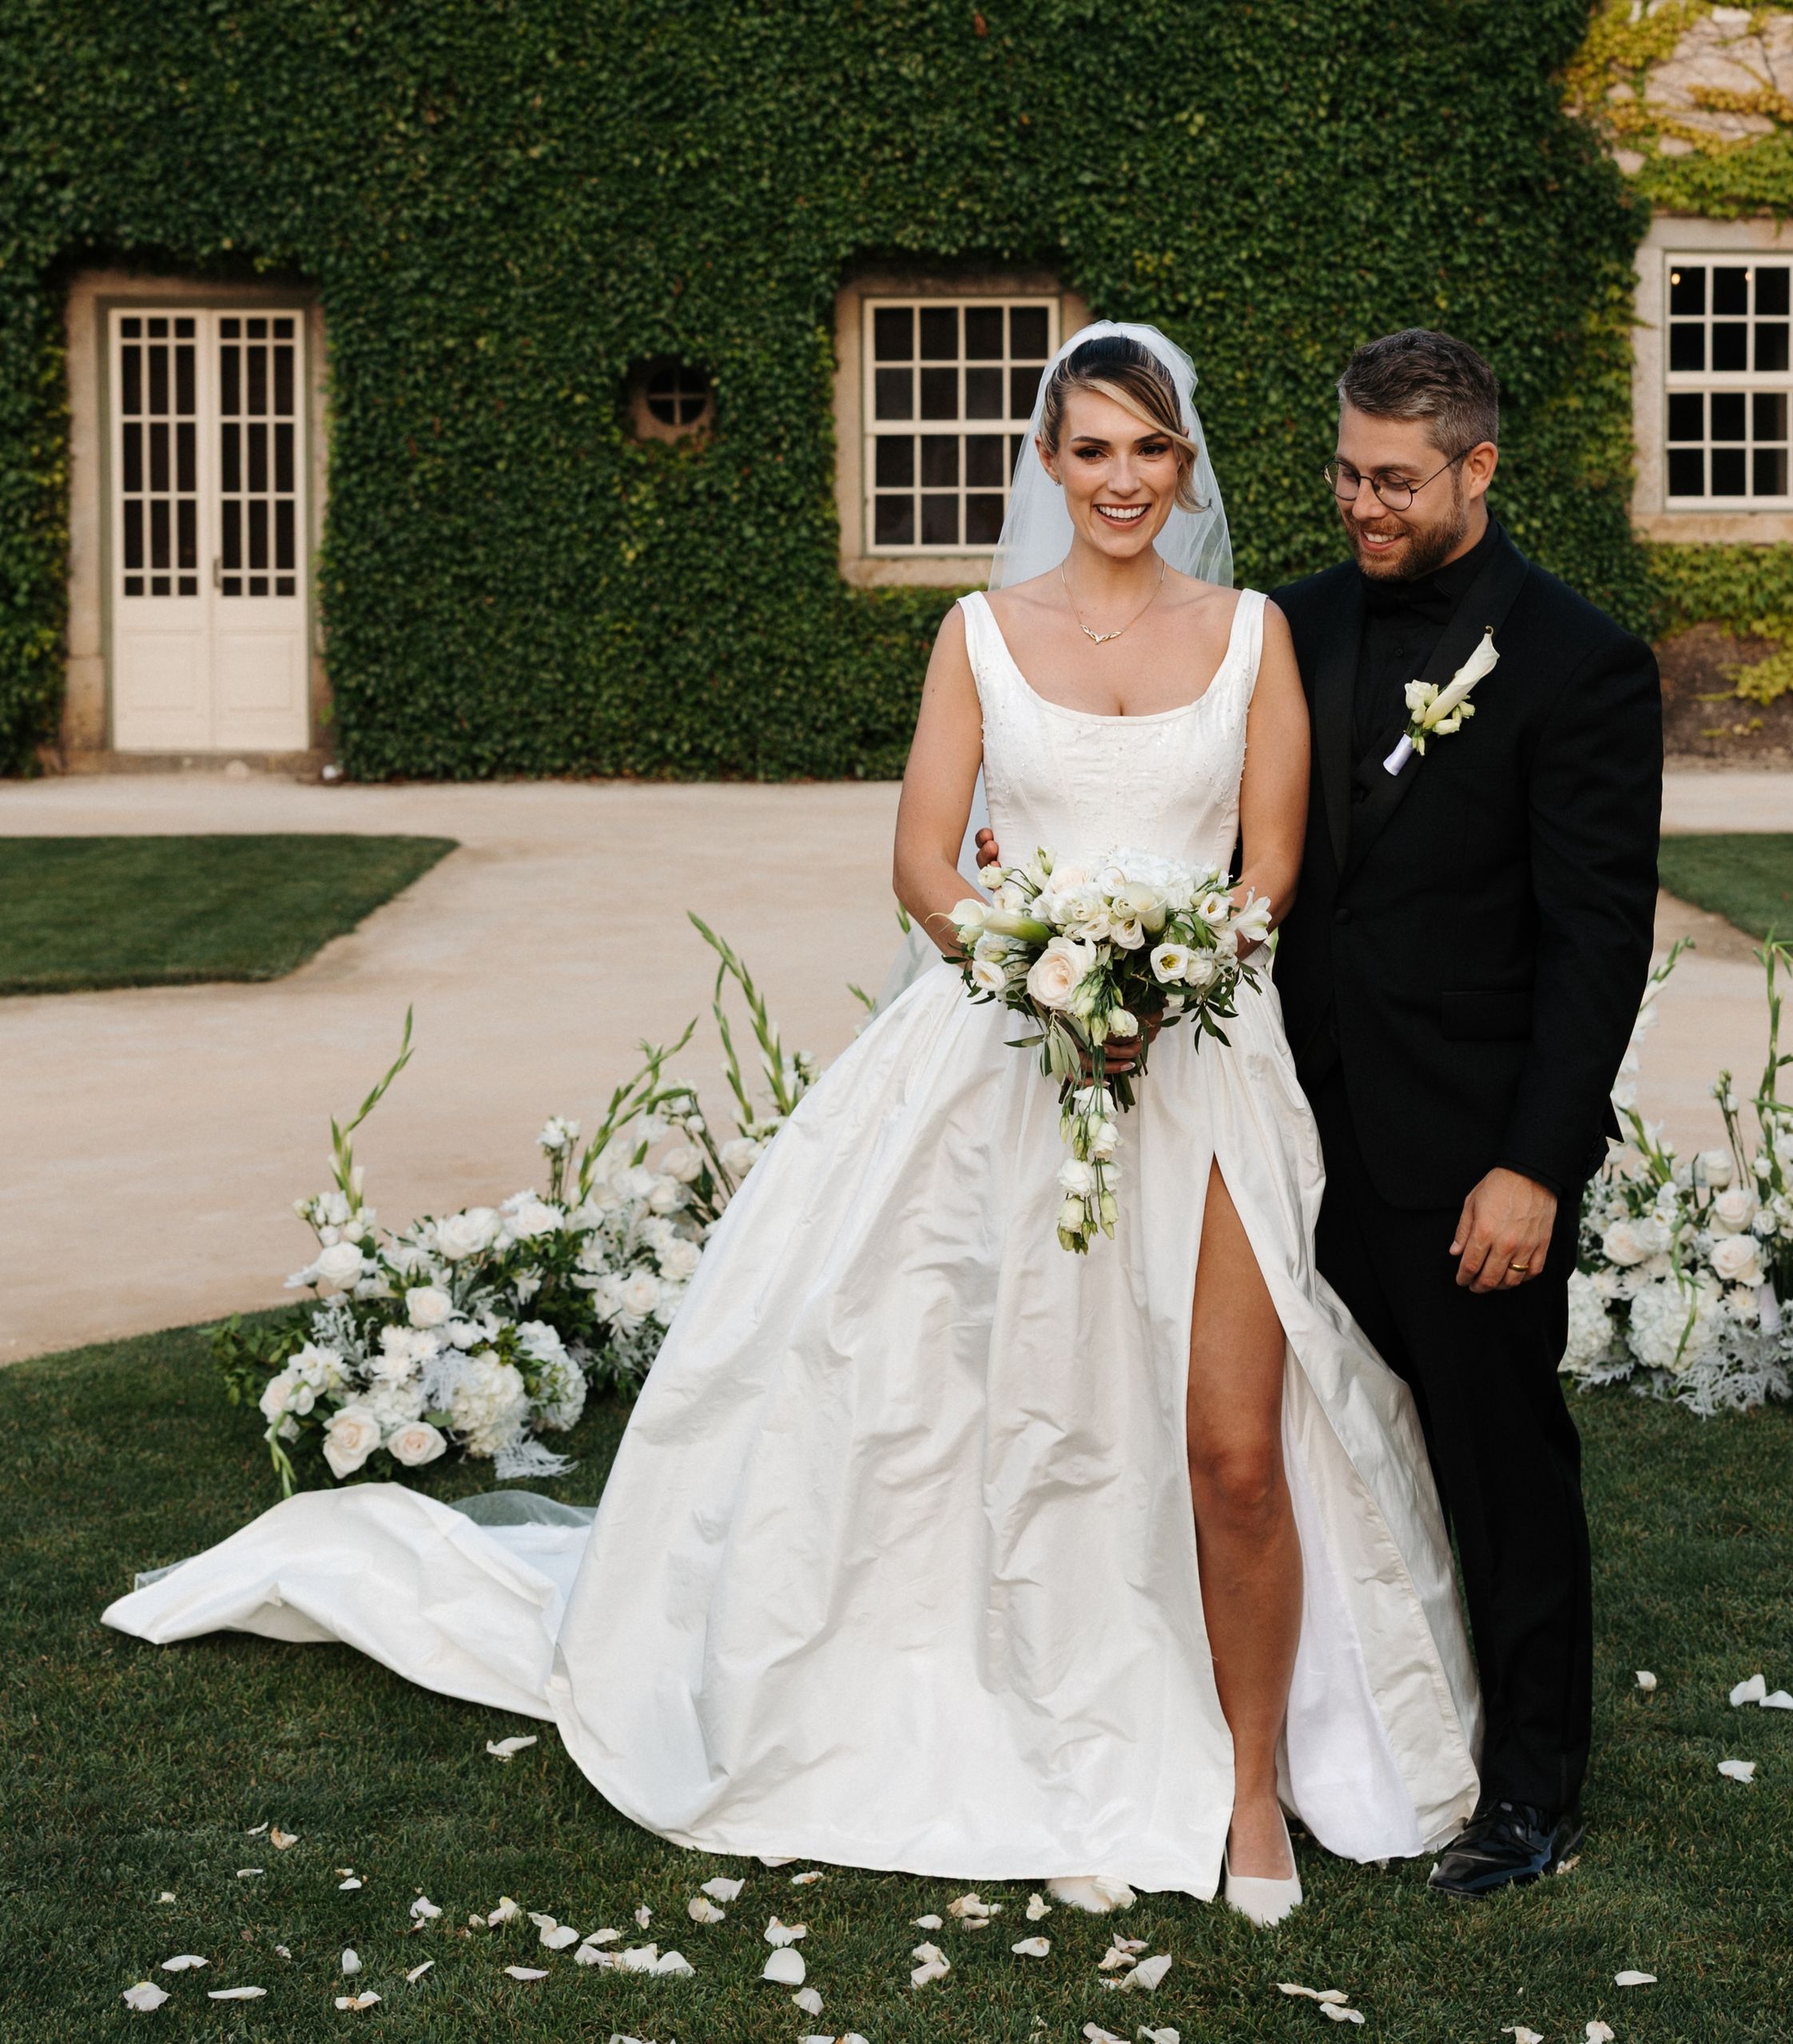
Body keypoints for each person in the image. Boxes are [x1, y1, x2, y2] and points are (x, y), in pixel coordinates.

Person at [104, 324, 1481, 1929]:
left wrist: (1172, 985)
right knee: (1016, 1430)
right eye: (1092, 449)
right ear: (1047, 463)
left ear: (1189, 469)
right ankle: (1050, 1746)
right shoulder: (978, 634)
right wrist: (1041, 974)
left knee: (1235, 1450)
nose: (1123, 480)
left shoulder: (1253, 636)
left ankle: (1250, 1783)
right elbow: (924, 863)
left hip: (1208, 1072)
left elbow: (1271, 868)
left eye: (1151, 450)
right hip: (1005, 1068)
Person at [1270, 329, 1663, 1896]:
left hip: (1469, 1156)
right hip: (1290, 1126)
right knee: (1312, 1447)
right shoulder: (1283, 628)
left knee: (1501, 1463)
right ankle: (1335, 1732)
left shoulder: (1578, 660)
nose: (1363, 503)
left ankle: (1531, 1787)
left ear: (1478, 469)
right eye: (1348, 471)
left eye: (1396, 480)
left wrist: (1533, 1164)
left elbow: (1597, 940)